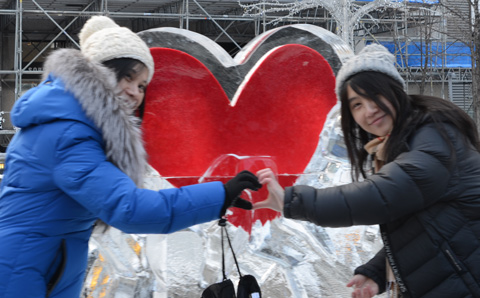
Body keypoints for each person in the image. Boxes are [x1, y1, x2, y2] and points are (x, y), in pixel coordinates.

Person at [0, 16, 261, 298]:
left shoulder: (72, 122)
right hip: (25, 266)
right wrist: (218, 196)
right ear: (99, 73)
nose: (135, 93)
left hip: (47, 260)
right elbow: (129, 208)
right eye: (128, 77)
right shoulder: (67, 133)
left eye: (142, 86)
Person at [254, 44, 480, 298]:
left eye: (374, 96)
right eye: (357, 105)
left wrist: (293, 201)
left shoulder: (436, 137)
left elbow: (382, 195)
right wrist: (378, 272)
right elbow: (430, 227)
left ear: (394, 91)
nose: (368, 110)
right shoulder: (392, 148)